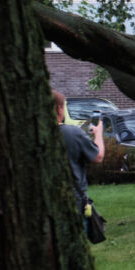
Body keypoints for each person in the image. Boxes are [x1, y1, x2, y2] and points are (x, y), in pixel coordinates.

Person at [53, 90, 105, 220]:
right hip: (73, 198)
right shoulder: (72, 133)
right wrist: (98, 133)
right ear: (59, 109)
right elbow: (98, 156)